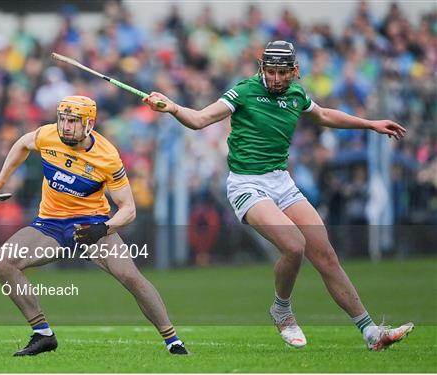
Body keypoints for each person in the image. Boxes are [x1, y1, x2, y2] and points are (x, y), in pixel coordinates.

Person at [144, 40, 413, 351]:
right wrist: (173, 107)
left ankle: (370, 333)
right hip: (246, 184)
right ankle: (282, 311)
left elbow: (324, 115)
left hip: (281, 182)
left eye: (281, 73)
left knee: (325, 256)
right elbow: (200, 119)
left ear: (295, 71)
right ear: (262, 69)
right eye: (269, 71)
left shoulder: (296, 94)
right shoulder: (244, 91)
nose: (274, 78)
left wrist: (369, 124)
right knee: (294, 245)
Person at [0, 95, 188, 356]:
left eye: (73, 121)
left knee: (130, 277)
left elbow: (129, 210)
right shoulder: (48, 135)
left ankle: (173, 341)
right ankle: (43, 334)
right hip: (50, 224)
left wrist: (103, 229)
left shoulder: (107, 156)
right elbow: (22, 143)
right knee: (4, 262)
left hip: (92, 223)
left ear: (89, 124)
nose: (65, 126)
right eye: (63, 120)